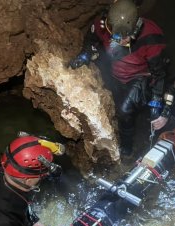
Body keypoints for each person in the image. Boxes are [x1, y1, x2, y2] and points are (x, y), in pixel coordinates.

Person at [68, 0, 168, 157]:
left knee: (124, 110)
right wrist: (85, 54)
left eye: (129, 35)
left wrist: (156, 100)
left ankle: (127, 148)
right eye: (117, 36)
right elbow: (91, 40)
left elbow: (159, 72)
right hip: (115, 73)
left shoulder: (152, 37)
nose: (123, 41)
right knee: (114, 102)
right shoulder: (102, 25)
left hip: (139, 76)